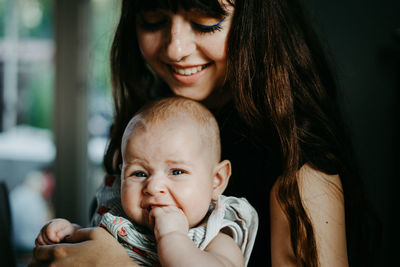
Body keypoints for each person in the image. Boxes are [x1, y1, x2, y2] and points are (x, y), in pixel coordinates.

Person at [31, 0, 377, 266]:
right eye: (153, 20)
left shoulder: (299, 167)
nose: (174, 48)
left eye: (205, 22)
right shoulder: (147, 122)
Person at [35, 97, 258, 266]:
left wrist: (173, 236)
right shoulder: (118, 216)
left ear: (216, 181)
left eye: (177, 171)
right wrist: (70, 235)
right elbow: (91, 253)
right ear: (121, 177)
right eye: (139, 174)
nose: (153, 187)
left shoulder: (215, 238)